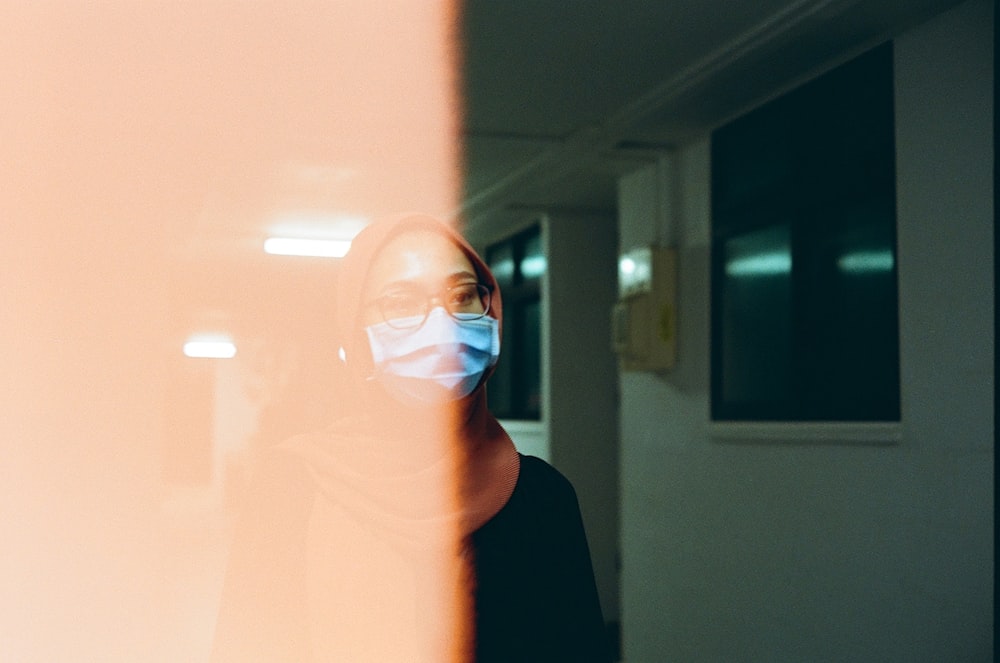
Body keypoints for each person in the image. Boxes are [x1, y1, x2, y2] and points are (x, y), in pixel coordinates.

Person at [211, 214, 609, 662]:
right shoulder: (290, 486)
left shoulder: (542, 498)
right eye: (401, 302)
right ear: (355, 335)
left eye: (462, 296)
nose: (442, 323)